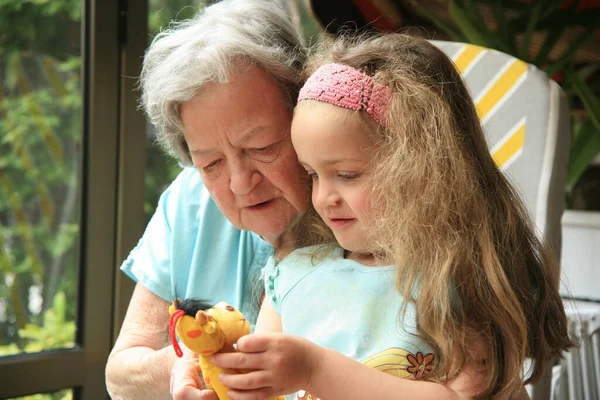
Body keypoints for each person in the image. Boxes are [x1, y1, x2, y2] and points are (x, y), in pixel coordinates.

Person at [210, 34, 574, 399]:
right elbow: (258, 385)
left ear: (423, 173)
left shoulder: (450, 280)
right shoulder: (293, 276)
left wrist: (315, 370)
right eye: (312, 175)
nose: (323, 197)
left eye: (347, 175)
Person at [105, 1, 314, 398]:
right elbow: (120, 375)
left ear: (304, 113)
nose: (239, 183)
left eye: (261, 146)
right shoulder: (188, 201)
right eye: (211, 162)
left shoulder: (364, 208)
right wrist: (188, 359)